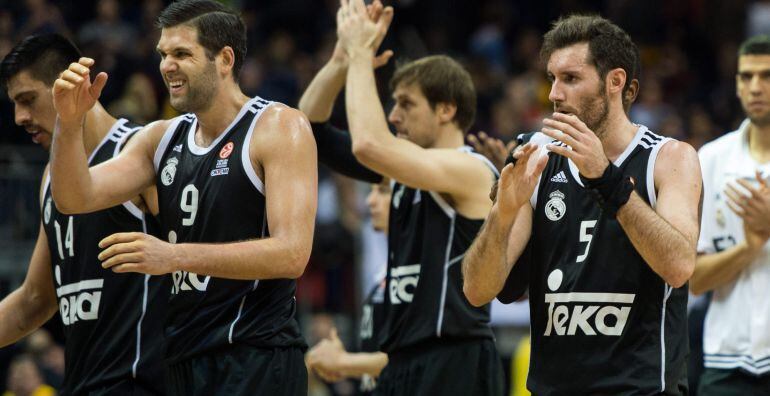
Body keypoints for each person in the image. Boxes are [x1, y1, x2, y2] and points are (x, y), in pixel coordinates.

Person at [48, 1, 317, 395]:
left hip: (255, 355)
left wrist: (173, 256)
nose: (166, 65)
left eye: (181, 54)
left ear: (224, 59)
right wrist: (69, 124)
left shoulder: (278, 126)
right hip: (182, 358)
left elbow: (292, 254)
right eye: (163, 54)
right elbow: (74, 197)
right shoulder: (160, 137)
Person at [462, 15, 702, 395]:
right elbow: (477, 290)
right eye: (552, 79)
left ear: (615, 82)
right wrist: (502, 215)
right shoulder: (535, 157)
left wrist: (606, 178)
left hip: (640, 388)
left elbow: (679, 266)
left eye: (570, 79)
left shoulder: (670, 159)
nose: (555, 93)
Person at [300, 1, 503, 394]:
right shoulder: (404, 170)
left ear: (446, 109)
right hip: (401, 359)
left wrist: (362, 54)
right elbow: (310, 128)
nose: (394, 116)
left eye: (406, 104)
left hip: (454, 359)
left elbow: (369, 145)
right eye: (393, 104)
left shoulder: (470, 170)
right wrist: (342, 59)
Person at [0, 34, 166, 395]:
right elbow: (34, 299)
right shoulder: (50, 176)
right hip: (82, 384)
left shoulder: (137, 153)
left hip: (141, 383)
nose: (19, 118)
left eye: (28, 100)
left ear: (72, 83)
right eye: (14, 104)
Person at [690, 34, 770, 394]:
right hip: (726, 363)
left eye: (767, 76)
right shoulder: (711, 160)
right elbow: (694, 279)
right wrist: (750, 247)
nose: (756, 87)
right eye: (746, 76)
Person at [307, 178, 391, 394]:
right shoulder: (383, 270)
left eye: (382, 192)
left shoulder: (421, 269)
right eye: (370, 191)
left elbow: (421, 358)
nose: (370, 201)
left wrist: (344, 362)